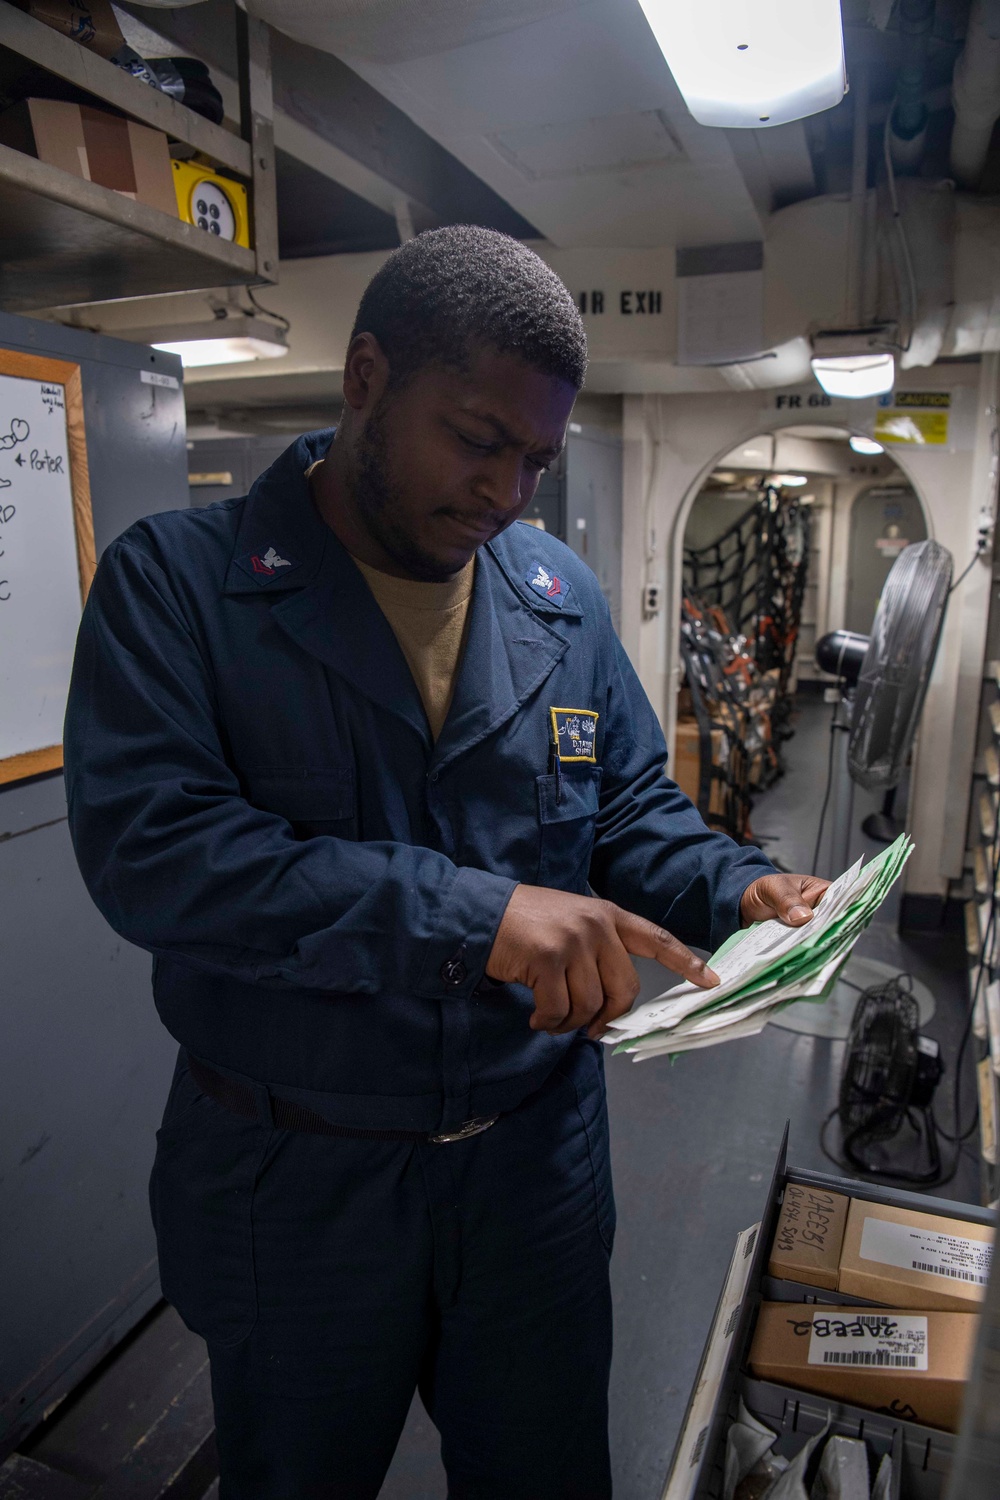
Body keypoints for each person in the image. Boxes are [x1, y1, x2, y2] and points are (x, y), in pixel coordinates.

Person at [65, 226, 828, 1500]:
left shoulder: (554, 593)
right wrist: (474, 915)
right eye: (478, 441)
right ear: (366, 377)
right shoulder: (180, 590)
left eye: (536, 458)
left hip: (530, 1169)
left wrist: (731, 882)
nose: (507, 493)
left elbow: (628, 803)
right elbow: (159, 855)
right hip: (299, 1178)